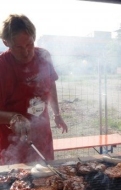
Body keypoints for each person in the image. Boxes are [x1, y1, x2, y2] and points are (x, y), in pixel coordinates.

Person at [0, 14, 68, 164]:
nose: (26, 52)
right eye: (18, 47)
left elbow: (50, 85)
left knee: (47, 178)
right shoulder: (2, 67)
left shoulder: (43, 56)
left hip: (42, 134)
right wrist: (13, 117)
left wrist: (57, 113)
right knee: (17, 182)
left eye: (29, 44)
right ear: (6, 42)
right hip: (12, 142)